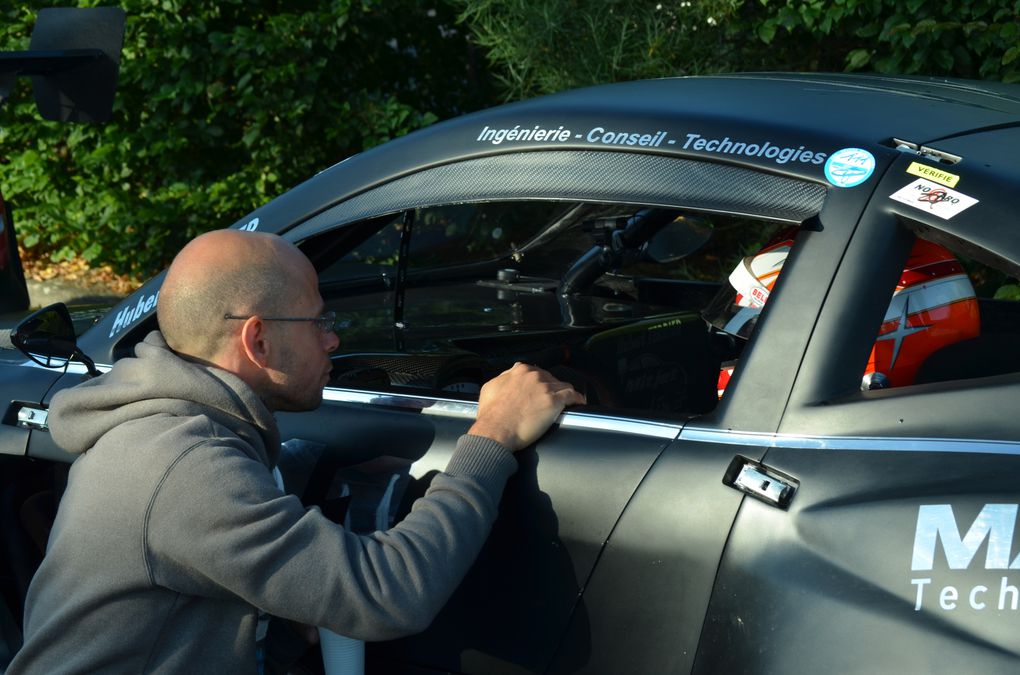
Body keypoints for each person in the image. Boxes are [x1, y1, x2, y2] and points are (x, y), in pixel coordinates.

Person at [8, 229, 584, 673]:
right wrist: (491, 438)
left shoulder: (171, 430)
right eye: (318, 320)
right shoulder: (185, 463)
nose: (333, 338)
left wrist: (280, 628)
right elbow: (388, 595)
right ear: (257, 340)